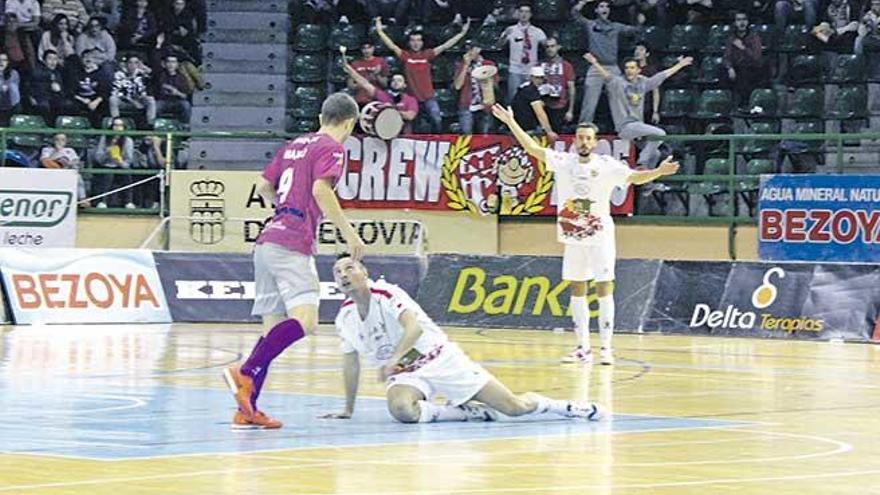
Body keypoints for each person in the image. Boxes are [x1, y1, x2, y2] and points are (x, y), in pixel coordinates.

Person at [492, 104, 680, 365]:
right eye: (580, 138)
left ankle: (606, 348)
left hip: (600, 235)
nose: (583, 142)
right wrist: (512, 122)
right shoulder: (563, 162)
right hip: (573, 237)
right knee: (576, 289)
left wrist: (658, 172)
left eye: (588, 138)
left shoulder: (606, 165)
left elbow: (634, 177)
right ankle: (583, 347)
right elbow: (532, 149)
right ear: (575, 141)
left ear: (595, 142)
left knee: (604, 287)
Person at [223, 93, 367, 430]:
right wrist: (349, 234)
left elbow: (262, 186)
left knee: (273, 329)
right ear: (349, 123)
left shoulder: (293, 145)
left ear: (321, 115)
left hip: (266, 241)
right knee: (307, 320)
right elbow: (321, 191)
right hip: (292, 242)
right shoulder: (333, 148)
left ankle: (248, 408)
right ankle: (244, 371)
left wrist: (283, 210)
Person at [321, 254, 606, 424]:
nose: (344, 274)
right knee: (401, 410)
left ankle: (564, 407)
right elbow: (351, 364)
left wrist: (393, 359)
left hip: (441, 359)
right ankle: (468, 413)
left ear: (364, 272)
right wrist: (348, 408)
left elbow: (414, 329)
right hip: (408, 375)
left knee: (514, 408)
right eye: (338, 272)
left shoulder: (387, 293)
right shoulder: (344, 319)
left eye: (350, 268)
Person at [583, 52, 693, 168]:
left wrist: (680, 65)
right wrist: (594, 62)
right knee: (660, 133)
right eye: (626, 68)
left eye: (632, 68)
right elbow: (606, 75)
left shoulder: (643, 83)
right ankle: (642, 163)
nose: (629, 70)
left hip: (638, 128)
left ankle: (646, 183)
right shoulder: (618, 83)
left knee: (655, 153)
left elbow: (661, 76)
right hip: (625, 127)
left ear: (639, 70)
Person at [375, 16, 470, 133]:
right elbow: (392, 46)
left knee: (437, 120)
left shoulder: (427, 54)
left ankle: (438, 141)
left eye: (418, 40)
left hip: (428, 97)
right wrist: (379, 31)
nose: (416, 43)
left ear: (422, 42)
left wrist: (462, 33)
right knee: (413, 124)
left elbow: (445, 46)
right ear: (409, 42)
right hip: (412, 97)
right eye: (413, 40)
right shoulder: (405, 55)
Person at [571, 0, 641, 126]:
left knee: (619, 101)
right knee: (589, 103)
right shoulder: (590, 24)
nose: (605, 8)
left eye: (607, 7)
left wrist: (640, 21)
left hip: (613, 68)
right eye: (602, 6)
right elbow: (575, 15)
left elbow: (634, 30)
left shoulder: (616, 26)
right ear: (596, 10)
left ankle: (625, 128)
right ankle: (583, 128)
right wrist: (582, 2)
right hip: (595, 68)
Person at [341, 54, 418, 134]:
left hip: (402, 135)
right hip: (382, 132)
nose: (396, 83)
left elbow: (410, 116)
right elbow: (365, 84)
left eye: (399, 81)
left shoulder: (410, 99)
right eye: (393, 80)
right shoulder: (382, 95)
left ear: (405, 84)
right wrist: (351, 71)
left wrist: (389, 111)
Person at [499, 2, 547, 105]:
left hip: (531, 70)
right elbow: (500, 45)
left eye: (527, 12)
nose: (524, 14)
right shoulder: (511, 30)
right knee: (513, 97)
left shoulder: (537, 31)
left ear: (531, 14)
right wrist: (504, 36)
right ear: (517, 13)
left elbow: (547, 46)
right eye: (521, 11)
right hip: (515, 69)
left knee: (532, 98)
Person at [452, 40, 497, 134]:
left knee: (485, 134)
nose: (470, 52)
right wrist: (466, 65)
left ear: (478, 49)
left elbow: (495, 84)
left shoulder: (489, 64)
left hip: (485, 105)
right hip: (467, 105)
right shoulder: (460, 65)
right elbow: (457, 86)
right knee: (466, 134)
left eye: (472, 49)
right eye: (468, 49)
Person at [724, 11, 766, 111]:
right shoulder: (731, 38)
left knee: (745, 74)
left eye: (744, 20)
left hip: (753, 67)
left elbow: (757, 58)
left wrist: (743, 48)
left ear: (747, 22)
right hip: (736, 67)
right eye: (738, 20)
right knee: (721, 73)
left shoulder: (754, 37)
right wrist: (729, 68)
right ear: (734, 23)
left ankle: (744, 105)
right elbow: (726, 57)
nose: (741, 23)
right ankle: (723, 104)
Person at [93, 117, 136, 209]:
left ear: (124, 128)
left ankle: (128, 201)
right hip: (107, 164)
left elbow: (129, 160)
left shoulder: (128, 140)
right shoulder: (104, 138)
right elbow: (98, 158)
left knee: (126, 174)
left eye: (120, 125)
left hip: (121, 165)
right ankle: (102, 201)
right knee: (108, 175)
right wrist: (107, 153)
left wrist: (120, 162)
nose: (117, 128)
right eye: (115, 125)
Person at [510, 66, 557, 142]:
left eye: (541, 78)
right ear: (531, 77)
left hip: (519, 127)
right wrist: (549, 131)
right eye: (537, 78)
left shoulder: (524, 88)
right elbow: (539, 112)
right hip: (526, 129)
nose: (539, 80)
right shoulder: (530, 90)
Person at [540, 37, 576, 134]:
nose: (550, 49)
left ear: (558, 47)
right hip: (543, 106)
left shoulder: (566, 65)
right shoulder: (540, 64)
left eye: (552, 46)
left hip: (559, 106)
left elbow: (571, 89)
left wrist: (570, 110)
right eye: (547, 47)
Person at [110, 53, 156, 126]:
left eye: (136, 63)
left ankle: (150, 125)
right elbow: (118, 93)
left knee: (150, 99)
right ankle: (116, 122)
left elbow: (144, 90)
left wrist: (147, 71)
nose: (133, 65)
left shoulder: (141, 75)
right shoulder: (119, 74)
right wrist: (133, 102)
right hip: (124, 102)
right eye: (130, 62)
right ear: (126, 64)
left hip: (138, 101)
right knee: (113, 99)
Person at [40, 133, 87, 203]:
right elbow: (45, 161)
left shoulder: (70, 150)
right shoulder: (47, 150)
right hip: (52, 172)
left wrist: (70, 164)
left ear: (66, 141)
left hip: (67, 171)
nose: (60, 142)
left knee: (78, 177)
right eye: (57, 140)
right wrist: (57, 151)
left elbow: (76, 162)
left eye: (62, 140)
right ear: (53, 141)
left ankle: (82, 199)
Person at [347, 40, 389, 106]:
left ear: (373, 48)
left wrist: (377, 75)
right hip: (360, 100)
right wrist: (365, 81)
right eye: (364, 48)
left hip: (378, 99)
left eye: (369, 48)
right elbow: (350, 86)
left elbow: (385, 84)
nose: (366, 50)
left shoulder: (381, 61)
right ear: (361, 50)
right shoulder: (355, 64)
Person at [0, 53, 21, 127]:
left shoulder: (13, 73)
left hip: (11, 104)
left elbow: (14, 88)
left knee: (12, 87)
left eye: (4, 60)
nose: (1, 62)